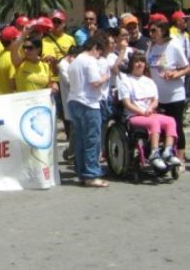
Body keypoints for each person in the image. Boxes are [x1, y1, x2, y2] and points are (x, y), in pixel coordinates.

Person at [118, 52, 181, 171]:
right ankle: (154, 154)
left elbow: (155, 101)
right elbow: (127, 104)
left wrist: (150, 108)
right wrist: (142, 112)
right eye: (136, 61)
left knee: (170, 121)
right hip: (134, 115)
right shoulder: (125, 82)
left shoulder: (149, 81)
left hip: (150, 113)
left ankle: (168, 152)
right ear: (131, 64)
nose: (139, 64)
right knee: (154, 123)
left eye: (142, 61)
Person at [67, 35, 110, 188]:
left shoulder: (73, 62)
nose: (99, 56)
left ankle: (82, 172)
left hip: (74, 101)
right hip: (89, 103)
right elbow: (95, 82)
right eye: (99, 52)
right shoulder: (90, 60)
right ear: (94, 48)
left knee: (80, 140)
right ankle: (92, 174)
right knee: (92, 140)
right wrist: (105, 76)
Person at [147, 20, 190, 169]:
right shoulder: (151, 47)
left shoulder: (174, 45)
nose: (151, 34)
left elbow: (186, 68)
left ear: (163, 31)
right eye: (150, 31)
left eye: (154, 31)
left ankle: (180, 159)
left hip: (174, 95)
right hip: (158, 96)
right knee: (162, 129)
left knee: (176, 127)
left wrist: (175, 74)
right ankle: (165, 156)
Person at [0, 26, 19, 94]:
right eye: (18, 39)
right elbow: (13, 83)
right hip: (9, 99)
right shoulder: (11, 57)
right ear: (13, 40)